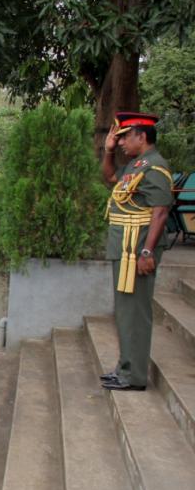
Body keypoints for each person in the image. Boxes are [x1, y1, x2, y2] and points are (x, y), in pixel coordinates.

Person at [100, 112, 174, 391]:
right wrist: (108, 151)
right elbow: (110, 177)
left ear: (141, 137)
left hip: (138, 247)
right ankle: (125, 367)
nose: (120, 142)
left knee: (135, 310)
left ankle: (134, 376)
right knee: (125, 310)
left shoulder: (155, 167)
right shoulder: (136, 165)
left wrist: (147, 252)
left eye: (124, 138)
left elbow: (160, 212)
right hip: (125, 245)